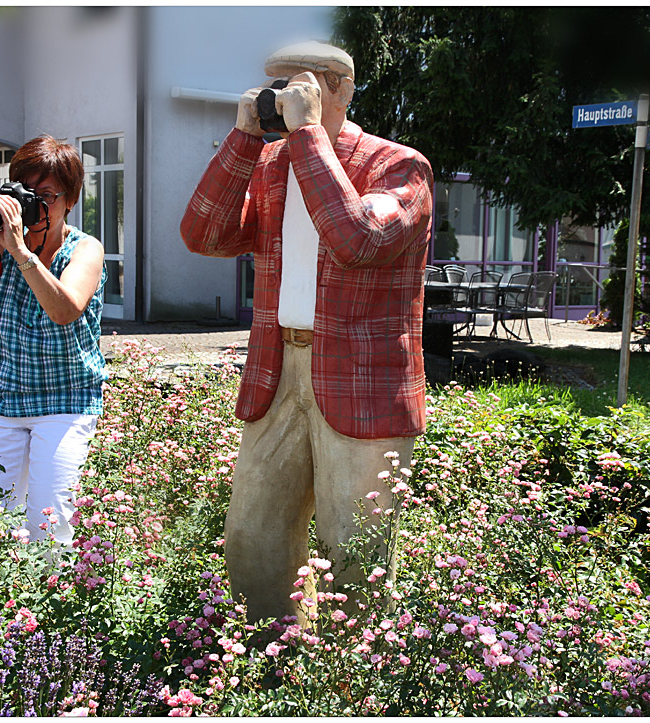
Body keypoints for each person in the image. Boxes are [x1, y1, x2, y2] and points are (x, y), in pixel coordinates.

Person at [180, 41, 434, 623]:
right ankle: (266, 660)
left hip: (362, 380)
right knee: (252, 532)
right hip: (278, 370)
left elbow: (358, 238)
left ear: (340, 88)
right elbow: (203, 234)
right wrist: (245, 138)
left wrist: (308, 137)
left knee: (354, 547)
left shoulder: (399, 166)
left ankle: (351, 683)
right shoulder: (274, 166)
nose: (286, 97)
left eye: (303, 85)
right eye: (279, 87)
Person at [0, 135, 108, 546]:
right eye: (27, 193)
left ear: (71, 199)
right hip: (1, 398)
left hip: (64, 401)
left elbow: (64, 309)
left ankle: (50, 605)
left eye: (46, 195)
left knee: (50, 523)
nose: (35, 205)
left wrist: (20, 250)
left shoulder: (85, 249)